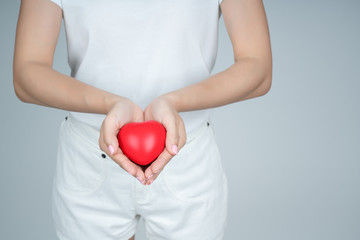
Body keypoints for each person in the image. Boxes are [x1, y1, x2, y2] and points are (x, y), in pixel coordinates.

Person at [13, 0, 272, 239]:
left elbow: (257, 67)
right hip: (89, 156)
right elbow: (27, 72)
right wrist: (110, 103)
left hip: (185, 154)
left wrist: (175, 102)